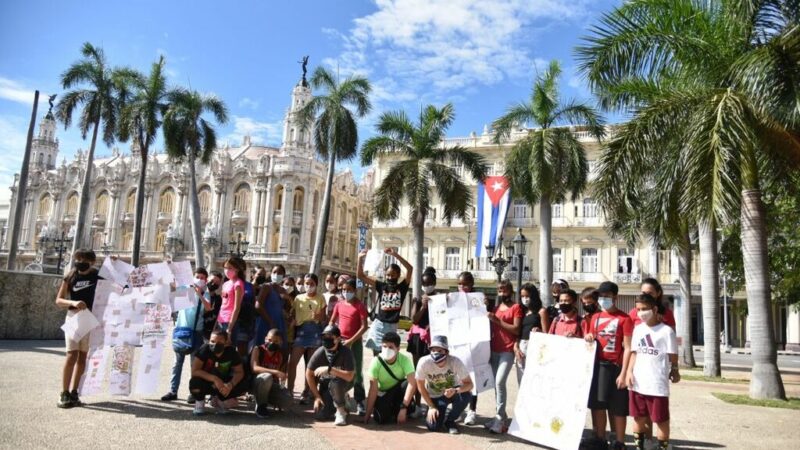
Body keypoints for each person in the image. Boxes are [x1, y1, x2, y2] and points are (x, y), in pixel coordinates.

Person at [626, 293, 680, 450]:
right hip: (637, 383)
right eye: (638, 309)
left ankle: (663, 446)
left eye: (644, 309)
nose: (641, 313)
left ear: (654, 309)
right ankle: (639, 447)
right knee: (638, 418)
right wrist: (629, 372)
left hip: (657, 384)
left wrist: (675, 370)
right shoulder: (638, 329)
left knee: (661, 420)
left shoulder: (666, 331)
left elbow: (673, 354)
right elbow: (634, 352)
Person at [584, 281, 634, 450]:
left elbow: (628, 347)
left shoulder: (624, 318)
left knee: (618, 407)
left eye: (607, 296)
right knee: (598, 405)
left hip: (616, 367)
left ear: (615, 297)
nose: (603, 299)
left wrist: (624, 372)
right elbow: (591, 336)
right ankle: (600, 438)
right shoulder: (596, 317)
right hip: (598, 366)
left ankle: (620, 441)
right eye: (601, 296)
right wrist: (589, 336)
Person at [55, 249, 101, 408]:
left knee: (83, 357)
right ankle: (64, 392)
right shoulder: (70, 276)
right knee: (71, 355)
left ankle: (75, 392)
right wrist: (73, 303)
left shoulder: (98, 276)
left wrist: (114, 262)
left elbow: (120, 283)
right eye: (78, 259)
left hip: (90, 319)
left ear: (92, 262)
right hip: (74, 318)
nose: (80, 262)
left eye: (84, 259)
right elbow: (59, 300)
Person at [162, 268, 210, 402]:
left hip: (196, 332)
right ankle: (173, 391)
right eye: (197, 276)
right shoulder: (184, 288)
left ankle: (193, 392)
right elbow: (171, 288)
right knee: (177, 363)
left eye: (202, 277)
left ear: (205, 280)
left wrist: (199, 294)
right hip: (181, 329)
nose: (199, 279)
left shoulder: (206, 292)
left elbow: (208, 307)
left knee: (194, 365)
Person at [357, 248, 413, 354]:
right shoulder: (381, 286)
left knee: (389, 355)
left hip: (392, 326)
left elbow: (410, 269)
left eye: (393, 275)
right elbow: (361, 276)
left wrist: (395, 255)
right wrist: (360, 259)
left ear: (398, 275)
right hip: (379, 324)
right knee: (377, 355)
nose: (390, 277)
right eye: (388, 275)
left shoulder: (402, 287)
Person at [415, 335, 474, 435]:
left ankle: (450, 421)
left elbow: (470, 384)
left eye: (440, 350)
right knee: (433, 426)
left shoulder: (455, 362)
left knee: (466, 395)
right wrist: (431, 406)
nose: (436, 353)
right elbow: (420, 385)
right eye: (433, 350)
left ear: (447, 352)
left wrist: (456, 390)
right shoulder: (424, 362)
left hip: (452, 392)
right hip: (435, 396)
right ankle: (438, 412)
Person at [485, 279, 522, 433]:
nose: (502, 292)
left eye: (504, 289)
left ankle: (499, 419)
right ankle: (501, 417)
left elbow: (516, 329)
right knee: (496, 384)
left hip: (507, 350)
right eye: (499, 290)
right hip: (494, 349)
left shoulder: (516, 307)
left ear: (511, 291)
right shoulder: (496, 307)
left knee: (500, 382)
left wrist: (497, 320)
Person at [329, 278, 369, 415]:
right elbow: (332, 321)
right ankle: (341, 394)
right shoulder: (339, 304)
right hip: (340, 342)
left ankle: (360, 401)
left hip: (355, 342)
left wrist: (352, 340)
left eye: (349, 290)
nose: (346, 292)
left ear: (355, 290)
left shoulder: (360, 306)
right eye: (344, 290)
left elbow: (364, 326)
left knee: (357, 372)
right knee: (340, 369)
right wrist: (332, 335)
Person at [189, 328, 249, 416]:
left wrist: (230, 385)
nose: (215, 344)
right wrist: (214, 379)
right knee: (194, 382)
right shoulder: (204, 349)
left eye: (219, 342)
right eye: (212, 341)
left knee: (244, 383)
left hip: (224, 384)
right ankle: (200, 403)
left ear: (226, 342)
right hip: (207, 382)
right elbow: (194, 371)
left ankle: (221, 401)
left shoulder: (231, 352)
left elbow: (239, 372)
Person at [306, 324, 356, 426]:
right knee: (321, 415)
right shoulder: (320, 352)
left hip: (342, 383)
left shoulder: (346, 352)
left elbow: (350, 376)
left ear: (338, 339)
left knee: (336, 383)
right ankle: (342, 401)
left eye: (330, 337)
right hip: (325, 386)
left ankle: (341, 411)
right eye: (324, 337)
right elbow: (309, 374)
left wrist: (330, 370)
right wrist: (317, 396)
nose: (326, 339)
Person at [287, 273, 325, 403]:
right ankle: (289, 391)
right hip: (301, 332)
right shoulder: (298, 298)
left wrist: (317, 316)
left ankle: (307, 392)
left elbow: (324, 318)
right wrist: (291, 321)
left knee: (311, 366)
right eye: (306, 283)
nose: (308, 286)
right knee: (293, 363)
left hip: (314, 332)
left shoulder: (320, 298)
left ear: (316, 285)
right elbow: (292, 313)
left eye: (311, 284)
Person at [364, 331, 417, 425]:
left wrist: (404, 407)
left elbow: (412, 383)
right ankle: (393, 412)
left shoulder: (404, 360)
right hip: (384, 393)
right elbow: (373, 389)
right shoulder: (376, 362)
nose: (387, 349)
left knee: (406, 384)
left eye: (390, 347)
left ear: (398, 348)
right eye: (384, 346)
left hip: (398, 391)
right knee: (380, 419)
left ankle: (405, 409)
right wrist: (367, 415)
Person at [407, 266, 436, 415]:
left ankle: (435, 404)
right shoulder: (417, 299)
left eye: (430, 283)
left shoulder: (439, 299)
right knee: (419, 371)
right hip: (419, 339)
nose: (427, 286)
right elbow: (414, 319)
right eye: (424, 284)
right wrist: (424, 307)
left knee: (435, 371)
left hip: (435, 339)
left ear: (435, 283)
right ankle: (417, 404)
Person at [251, 328, 293, 418]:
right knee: (267, 377)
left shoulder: (280, 355)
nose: (272, 342)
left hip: (270, 384)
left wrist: (280, 387)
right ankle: (260, 405)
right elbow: (254, 368)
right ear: (265, 338)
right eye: (269, 340)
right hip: (256, 382)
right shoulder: (257, 349)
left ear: (280, 342)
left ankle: (266, 399)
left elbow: (276, 377)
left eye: (276, 341)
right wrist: (275, 372)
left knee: (288, 400)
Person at [456, 271, 480, 425]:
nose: (462, 287)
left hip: (475, 344)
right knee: (458, 379)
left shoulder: (478, 299)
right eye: (460, 284)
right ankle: (459, 409)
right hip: (458, 344)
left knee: (474, 380)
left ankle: (472, 411)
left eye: (465, 284)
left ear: (471, 285)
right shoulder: (453, 299)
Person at [514, 283, 547, 383]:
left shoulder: (541, 311)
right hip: (521, 346)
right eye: (522, 296)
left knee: (533, 379)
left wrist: (539, 331)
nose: (525, 299)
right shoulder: (522, 311)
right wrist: (516, 347)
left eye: (527, 296)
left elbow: (547, 333)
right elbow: (518, 332)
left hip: (535, 346)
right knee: (521, 378)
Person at [253, 265, 289, 352]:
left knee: (279, 350)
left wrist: (287, 299)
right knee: (263, 348)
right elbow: (258, 305)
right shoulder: (266, 287)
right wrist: (270, 322)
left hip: (279, 323)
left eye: (279, 273)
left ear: (283, 276)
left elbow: (286, 308)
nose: (276, 275)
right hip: (265, 322)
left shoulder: (283, 290)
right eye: (274, 272)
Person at [217, 257, 245, 337]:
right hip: (221, 319)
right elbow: (223, 305)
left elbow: (237, 307)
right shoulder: (225, 284)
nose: (227, 270)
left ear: (237, 269)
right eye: (225, 267)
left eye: (230, 268)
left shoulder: (238, 284)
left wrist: (230, 327)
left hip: (230, 321)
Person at [202, 271, 224, 341]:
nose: (213, 283)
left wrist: (213, 331)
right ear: (207, 279)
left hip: (209, 331)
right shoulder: (200, 295)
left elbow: (217, 316)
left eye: (217, 282)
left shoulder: (218, 299)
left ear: (220, 284)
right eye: (211, 280)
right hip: (198, 329)